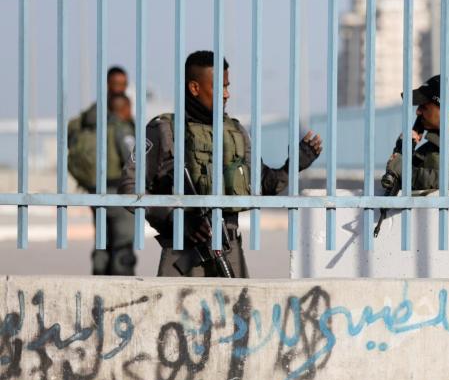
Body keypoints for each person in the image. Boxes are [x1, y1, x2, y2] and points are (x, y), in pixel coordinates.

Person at [119, 50, 322, 278]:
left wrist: (292, 166)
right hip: (182, 250)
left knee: (235, 313)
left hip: (229, 247)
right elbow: (130, 186)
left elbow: (262, 185)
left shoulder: (236, 132)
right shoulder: (163, 131)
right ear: (194, 88)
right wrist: (175, 218)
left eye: (227, 86)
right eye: (219, 87)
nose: (226, 94)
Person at [68, 66, 137, 275]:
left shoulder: (91, 115)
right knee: (122, 245)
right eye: (118, 84)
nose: (121, 88)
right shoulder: (119, 117)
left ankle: (98, 283)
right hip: (117, 189)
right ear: (109, 84)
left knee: (101, 242)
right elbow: (132, 157)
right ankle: (121, 290)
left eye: (123, 84)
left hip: (95, 190)